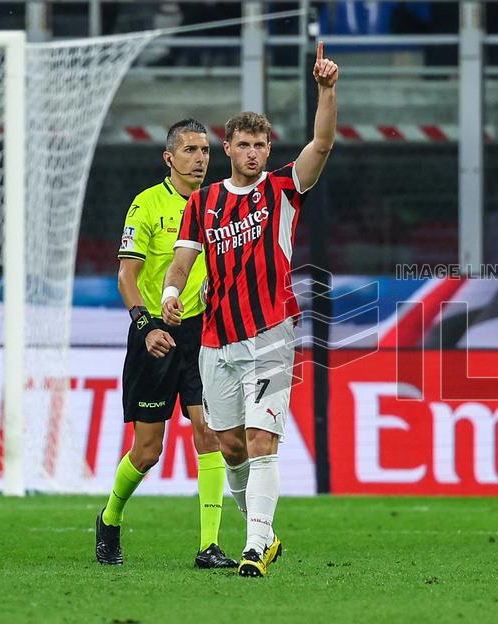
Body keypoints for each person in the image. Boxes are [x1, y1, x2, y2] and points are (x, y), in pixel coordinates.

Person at [161, 43, 339, 578]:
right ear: (229, 148)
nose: (254, 153)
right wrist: (170, 294)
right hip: (216, 340)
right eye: (244, 144)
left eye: (261, 144)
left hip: (271, 334)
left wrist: (326, 90)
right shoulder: (203, 202)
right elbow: (182, 260)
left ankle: (255, 545)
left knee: (262, 442)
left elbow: (322, 143)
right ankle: (264, 531)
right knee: (231, 446)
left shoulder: (283, 188)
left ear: (268, 148)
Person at [96, 119, 237, 569]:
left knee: (208, 432)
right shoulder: (147, 205)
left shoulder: (217, 204)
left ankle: (209, 545)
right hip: (154, 335)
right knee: (147, 451)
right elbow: (126, 276)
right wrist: (146, 326)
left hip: (202, 333)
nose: (200, 159)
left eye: (205, 151)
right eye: (190, 150)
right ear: (169, 158)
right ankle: (110, 517)